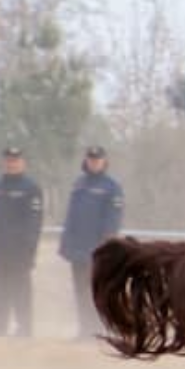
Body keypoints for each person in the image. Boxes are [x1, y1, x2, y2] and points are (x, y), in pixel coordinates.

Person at [59, 145, 125, 338]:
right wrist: (66, 243)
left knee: (97, 292)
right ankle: (84, 330)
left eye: (97, 159)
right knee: (80, 291)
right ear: (86, 160)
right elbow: (71, 217)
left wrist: (105, 248)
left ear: (104, 161)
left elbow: (113, 221)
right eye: (91, 159)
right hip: (78, 250)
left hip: (97, 250)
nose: (94, 162)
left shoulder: (112, 187)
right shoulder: (79, 184)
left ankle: (100, 331)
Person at [0, 146, 43, 337]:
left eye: (15, 160)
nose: (11, 163)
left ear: (22, 163)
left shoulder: (31, 188)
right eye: (8, 160)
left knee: (21, 290)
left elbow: (34, 222)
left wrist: (30, 248)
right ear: (4, 162)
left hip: (20, 251)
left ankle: (24, 328)